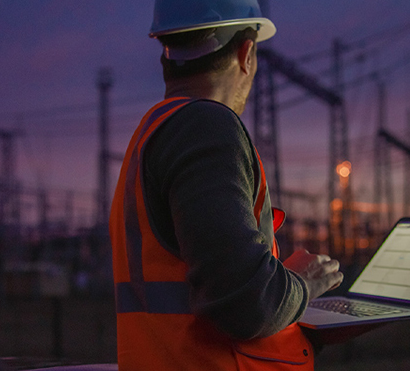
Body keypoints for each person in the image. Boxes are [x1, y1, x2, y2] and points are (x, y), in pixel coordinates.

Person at [108, 1, 343, 370]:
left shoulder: (152, 133)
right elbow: (246, 303)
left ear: (165, 58)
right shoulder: (205, 126)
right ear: (246, 54)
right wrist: (301, 282)